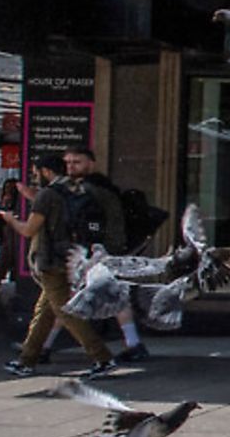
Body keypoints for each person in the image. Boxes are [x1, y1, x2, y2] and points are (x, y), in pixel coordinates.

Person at [0, 155, 115, 379]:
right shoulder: (73, 191)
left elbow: (28, 230)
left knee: (67, 312)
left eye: (36, 173)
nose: (35, 177)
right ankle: (27, 360)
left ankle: (102, 357)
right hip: (70, 256)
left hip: (50, 260)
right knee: (44, 312)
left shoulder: (47, 195)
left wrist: (10, 219)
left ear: (46, 171)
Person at [38, 146, 149, 364]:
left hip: (92, 252)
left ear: (91, 163)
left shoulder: (90, 190)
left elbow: (89, 223)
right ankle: (133, 343)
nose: (70, 167)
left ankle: (42, 346)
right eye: (67, 162)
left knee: (66, 299)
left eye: (76, 162)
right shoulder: (99, 187)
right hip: (102, 250)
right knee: (110, 297)